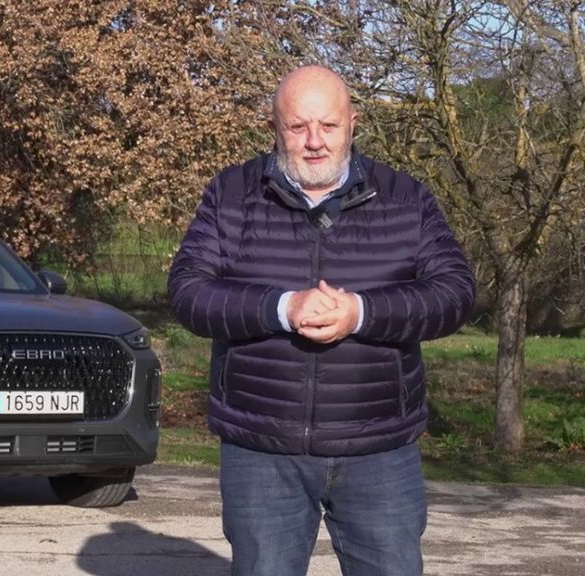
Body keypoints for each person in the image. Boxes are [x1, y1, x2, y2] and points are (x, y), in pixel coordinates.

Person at [167, 65, 475, 576]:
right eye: (297, 127)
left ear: (353, 123)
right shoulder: (230, 195)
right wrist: (282, 307)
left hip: (379, 447)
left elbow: (455, 293)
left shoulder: (406, 198)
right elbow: (188, 292)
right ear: (274, 128)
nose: (314, 142)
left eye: (328, 126)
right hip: (262, 447)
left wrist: (362, 312)